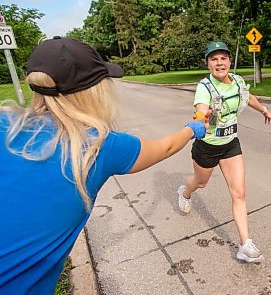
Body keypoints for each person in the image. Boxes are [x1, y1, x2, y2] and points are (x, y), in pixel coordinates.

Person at [0, 37, 208, 295]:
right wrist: (193, 129)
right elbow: (164, 148)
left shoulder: (4, 123)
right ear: (93, 90)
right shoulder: (97, 147)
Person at [177, 41, 271, 263]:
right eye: (214, 59)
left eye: (223, 58)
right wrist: (200, 119)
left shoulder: (238, 81)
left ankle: (245, 245)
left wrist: (264, 110)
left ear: (230, 61)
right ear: (208, 64)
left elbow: (247, 97)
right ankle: (185, 192)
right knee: (200, 183)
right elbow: (201, 109)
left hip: (231, 143)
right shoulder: (205, 86)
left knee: (239, 193)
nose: (219, 63)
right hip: (208, 145)